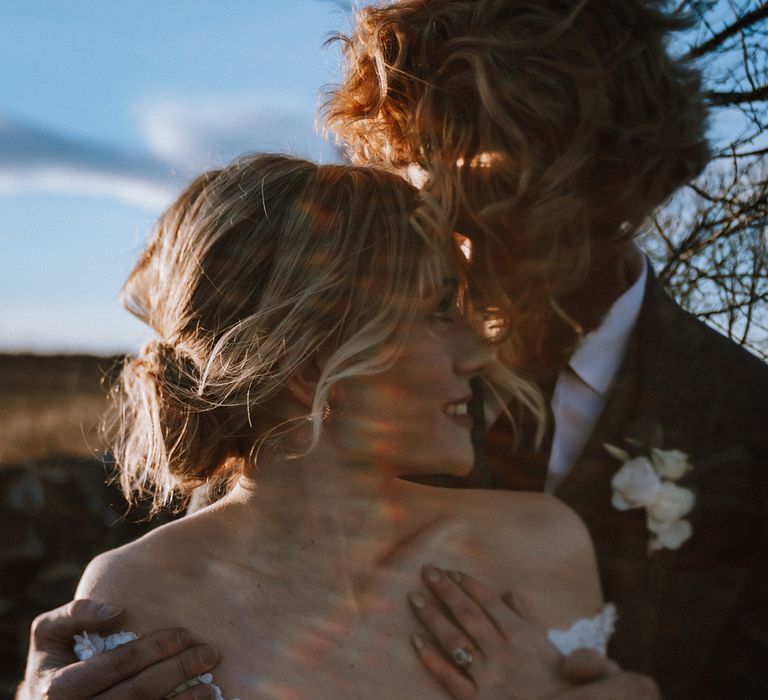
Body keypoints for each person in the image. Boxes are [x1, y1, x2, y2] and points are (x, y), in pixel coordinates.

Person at [29, 151, 623, 700]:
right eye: (439, 313)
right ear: (307, 356)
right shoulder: (142, 593)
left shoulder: (541, 548)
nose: (479, 354)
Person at [321, 0, 768, 698]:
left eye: (496, 200)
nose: (455, 246)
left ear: (616, 180)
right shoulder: (346, 380)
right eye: (421, 185)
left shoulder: (749, 419)